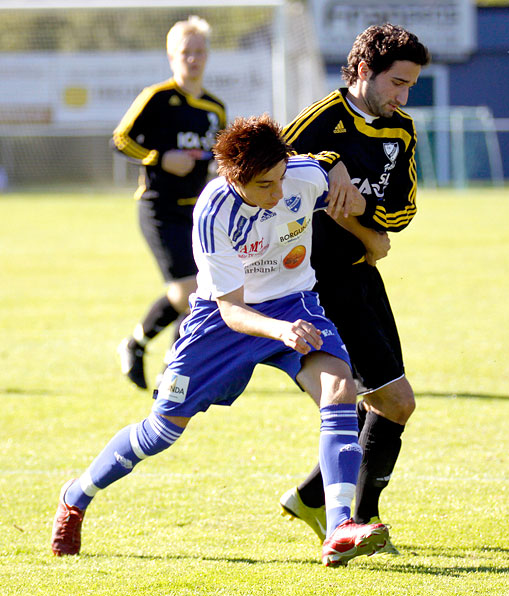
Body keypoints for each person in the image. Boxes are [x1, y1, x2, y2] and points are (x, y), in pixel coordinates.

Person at [50, 114, 389, 567]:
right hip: (221, 322)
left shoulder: (297, 176)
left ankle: (340, 527)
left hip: (294, 302)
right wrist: (281, 332)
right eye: (265, 186)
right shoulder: (212, 211)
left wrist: (366, 229)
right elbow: (231, 310)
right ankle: (76, 496)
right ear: (234, 179)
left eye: (280, 179)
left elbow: (328, 178)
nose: (278, 193)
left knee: (339, 386)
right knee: (160, 431)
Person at [278, 23, 430, 552]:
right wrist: (329, 164)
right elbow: (271, 164)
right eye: (396, 83)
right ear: (364, 71)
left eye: (410, 85)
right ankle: (359, 520)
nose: (402, 96)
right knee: (395, 402)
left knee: (384, 401)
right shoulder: (321, 120)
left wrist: (364, 215)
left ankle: (313, 497)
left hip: (362, 271)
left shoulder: (402, 130)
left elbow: (404, 211)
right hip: (316, 285)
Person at [113, 15, 227, 390]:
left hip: (198, 211)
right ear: (171, 56)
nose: (192, 59)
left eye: (199, 51)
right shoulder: (156, 98)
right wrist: (160, 158)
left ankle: (138, 346)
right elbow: (121, 139)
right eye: (185, 52)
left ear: (208, 55)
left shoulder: (215, 108)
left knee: (200, 291)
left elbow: (218, 156)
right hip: (158, 207)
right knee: (189, 293)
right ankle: (170, 370)